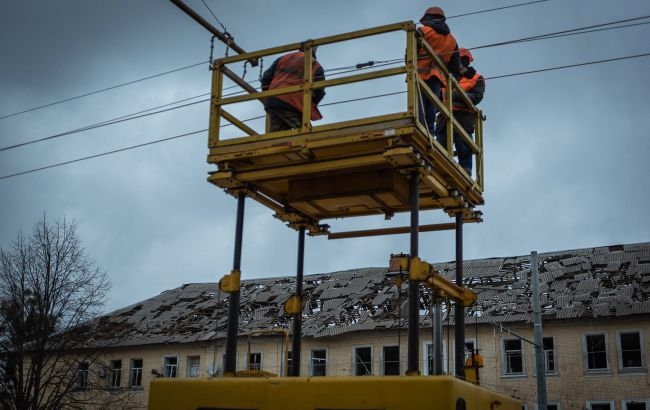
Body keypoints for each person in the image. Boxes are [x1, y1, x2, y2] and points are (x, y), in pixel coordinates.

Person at [434, 47, 485, 177]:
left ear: (466, 61)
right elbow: (438, 94)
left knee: (463, 144)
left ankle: (465, 172)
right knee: (441, 143)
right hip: (445, 115)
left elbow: (476, 97)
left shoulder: (476, 78)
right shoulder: (446, 76)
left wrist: (457, 95)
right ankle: (439, 168)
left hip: (463, 116)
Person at [417, 6, 465, 137]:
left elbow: (410, 53)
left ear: (428, 17)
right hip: (438, 79)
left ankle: (420, 131)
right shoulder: (452, 40)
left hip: (419, 75)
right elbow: (455, 67)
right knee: (431, 107)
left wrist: (408, 67)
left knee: (419, 106)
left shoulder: (423, 31)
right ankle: (429, 135)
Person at [260, 43, 326, 132]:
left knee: (278, 138)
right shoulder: (314, 64)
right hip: (292, 103)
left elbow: (266, 78)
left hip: (273, 100)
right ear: (314, 51)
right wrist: (308, 105)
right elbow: (320, 90)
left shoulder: (284, 58)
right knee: (305, 133)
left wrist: (269, 95)